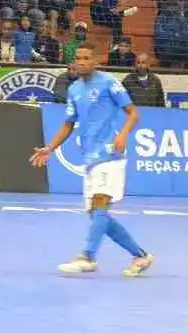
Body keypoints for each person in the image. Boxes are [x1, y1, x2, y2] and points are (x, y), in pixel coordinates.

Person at [29, 45, 154, 276]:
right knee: (99, 214)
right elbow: (68, 124)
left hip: (110, 155)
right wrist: (50, 148)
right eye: (78, 58)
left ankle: (88, 256)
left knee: (99, 206)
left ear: (95, 61)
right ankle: (141, 255)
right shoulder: (74, 89)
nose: (82, 62)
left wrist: (123, 134)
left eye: (87, 58)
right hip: (90, 158)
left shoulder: (109, 83)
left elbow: (133, 113)